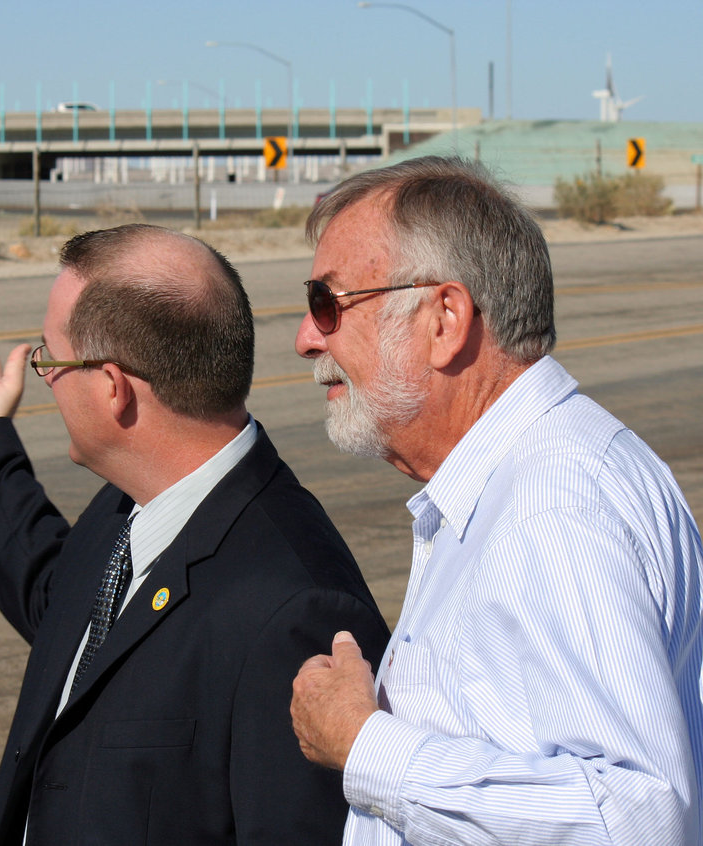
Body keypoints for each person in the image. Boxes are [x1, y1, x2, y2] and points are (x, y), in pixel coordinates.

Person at [0, 223, 390, 845]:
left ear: (112, 388)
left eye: (49, 361)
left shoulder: (292, 609)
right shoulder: (131, 509)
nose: (45, 379)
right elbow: (60, 606)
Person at [288, 156, 703, 845]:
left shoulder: (554, 504)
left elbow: (634, 815)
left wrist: (366, 746)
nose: (307, 338)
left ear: (445, 318)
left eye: (329, 303)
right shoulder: (521, 480)